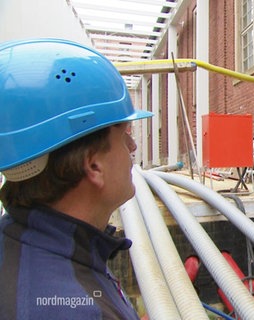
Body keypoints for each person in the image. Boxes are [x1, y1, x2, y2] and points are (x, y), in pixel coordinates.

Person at [0, 38, 152, 319]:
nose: (132, 147)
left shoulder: (26, 244)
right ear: (93, 165)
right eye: (123, 135)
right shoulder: (78, 310)